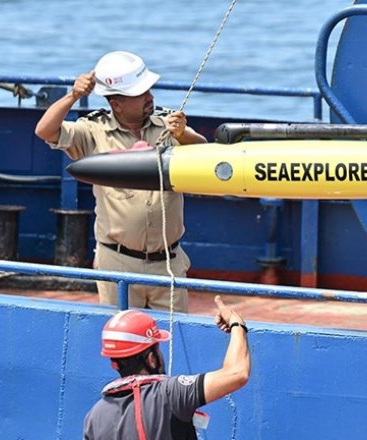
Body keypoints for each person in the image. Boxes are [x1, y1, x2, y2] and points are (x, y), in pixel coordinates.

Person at [35, 51, 207, 312]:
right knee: (123, 340)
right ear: (117, 104)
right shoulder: (93, 131)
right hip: (117, 261)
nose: (150, 98)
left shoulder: (167, 124)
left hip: (168, 262)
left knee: (171, 342)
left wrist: (183, 135)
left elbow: (203, 152)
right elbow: (45, 130)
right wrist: (73, 96)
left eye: (149, 90)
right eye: (141, 94)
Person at [83, 296, 250, 438]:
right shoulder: (170, 393)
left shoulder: (94, 417)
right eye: (157, 348)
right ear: (151, 359)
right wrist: (237, 325)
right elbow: (237, 373)